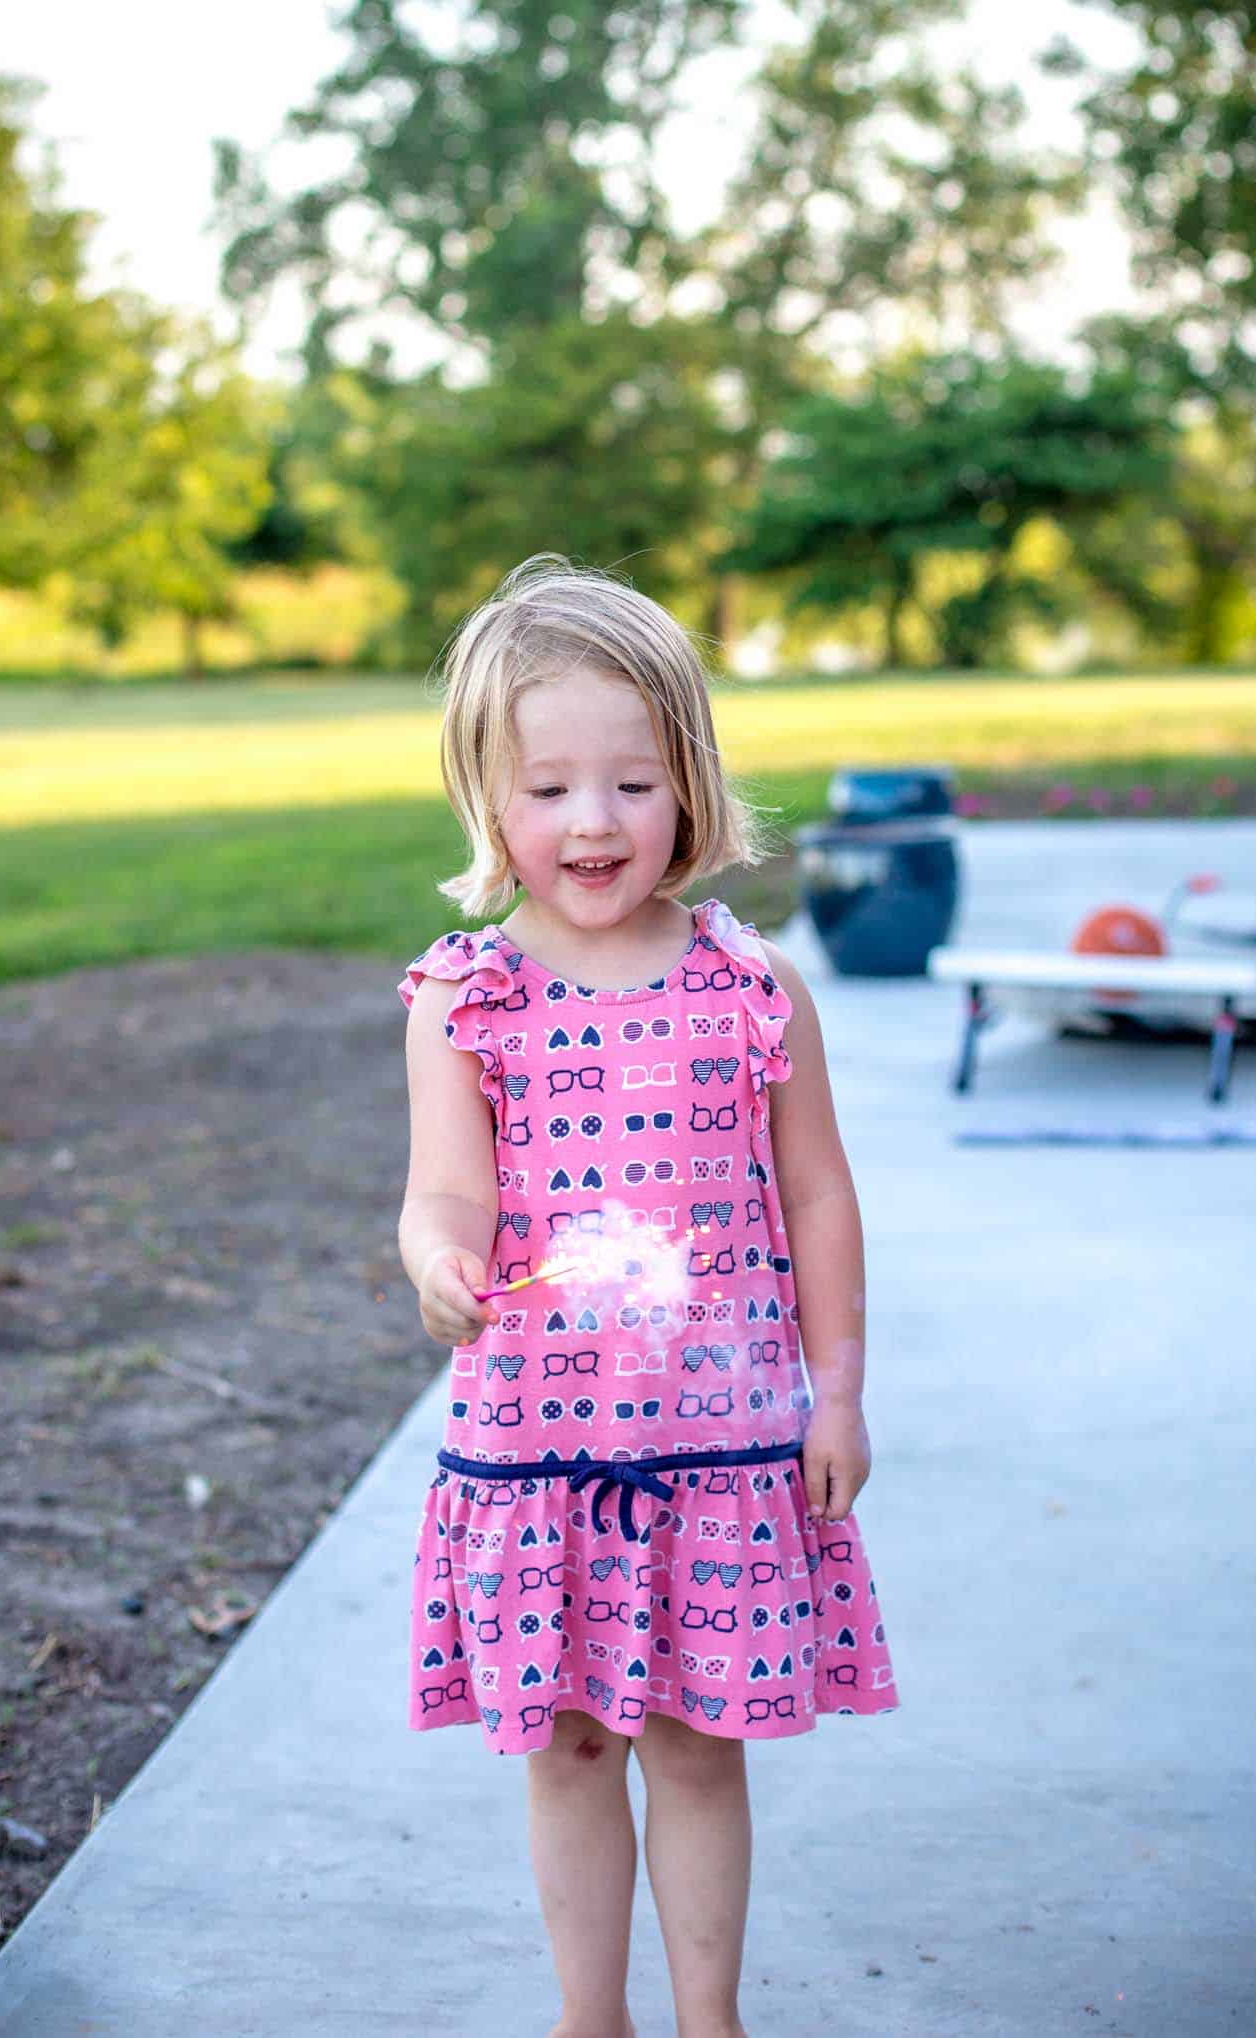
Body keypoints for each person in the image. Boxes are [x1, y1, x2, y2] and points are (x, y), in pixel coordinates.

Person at [396, 554, 899, 2038]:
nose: (593, 821)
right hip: (542, 1454)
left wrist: (842, 1388)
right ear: (488, 800)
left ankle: (707, 2014)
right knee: (563, 1746)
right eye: (547, 787)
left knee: (695, 1742)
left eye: (630, 779)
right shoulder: (464, 997)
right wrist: (437, 1259)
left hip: (724, 1448)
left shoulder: (754, 987)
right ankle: (587, 2015)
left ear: (689, 780)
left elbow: (816, 1194)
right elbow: (445, 1188)